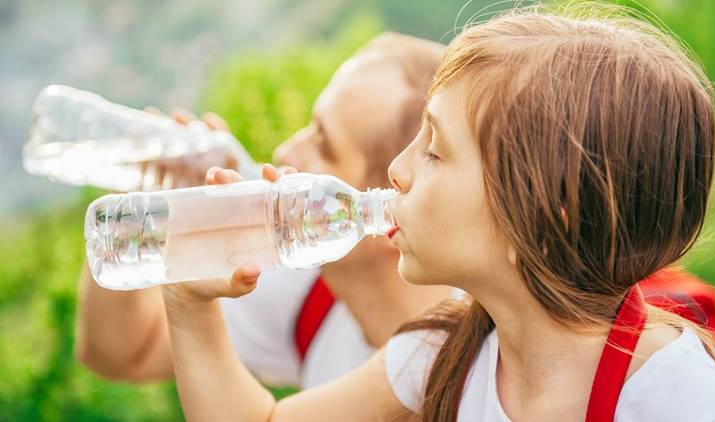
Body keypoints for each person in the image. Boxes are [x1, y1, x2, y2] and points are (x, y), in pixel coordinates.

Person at [158, 6, 715, 421]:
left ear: (547, 214)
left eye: (435, 149)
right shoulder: (450, 352)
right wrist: (189, 303)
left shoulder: (683, 404)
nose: (396, 169)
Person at [75, 32, 453, 385]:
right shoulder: (312, 293)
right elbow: (121, 354)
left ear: (393, 211)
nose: (285, 152)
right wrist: (144, 197)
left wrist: (191, 295)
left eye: (323, 145)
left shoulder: (453, 371)